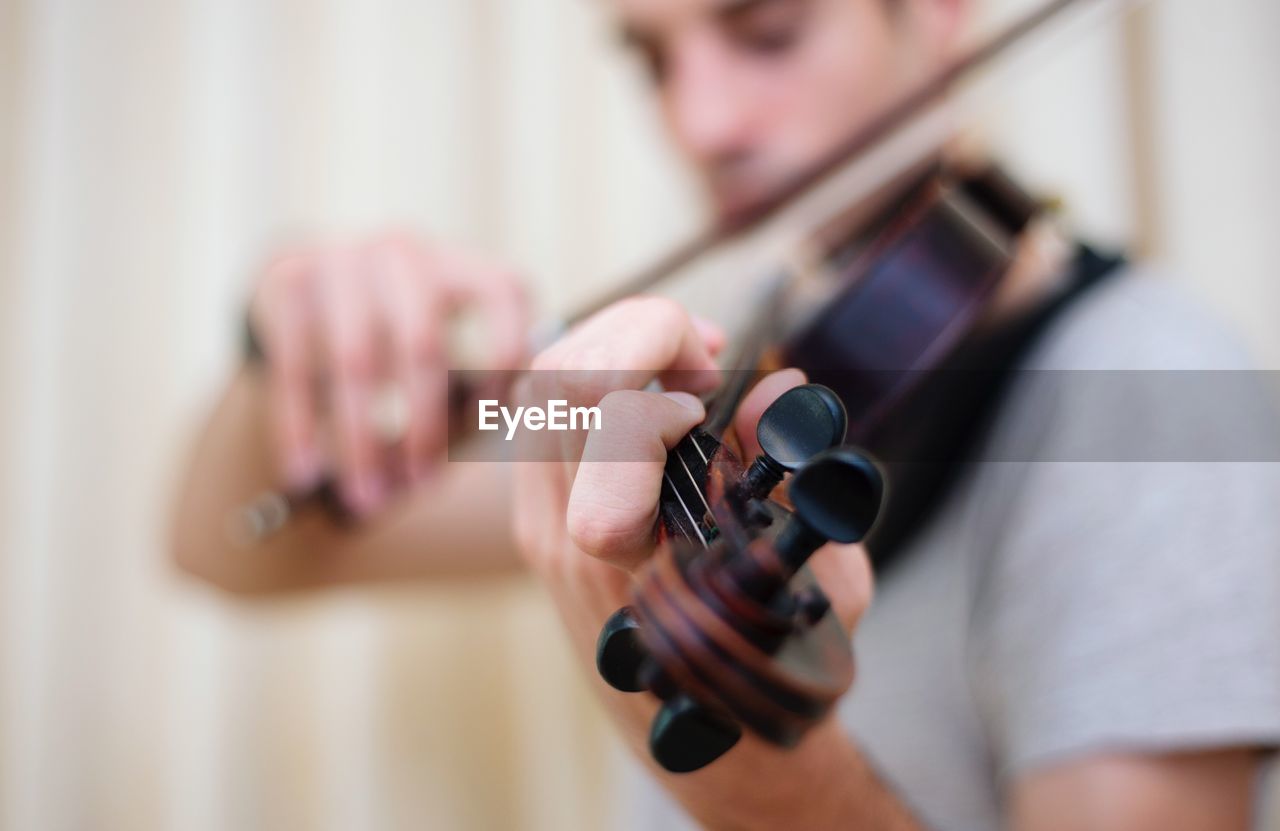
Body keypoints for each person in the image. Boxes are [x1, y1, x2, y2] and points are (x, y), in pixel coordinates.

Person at [171, 0, 1280, 827]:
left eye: (767, 31)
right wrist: (279, 346)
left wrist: (780, 798)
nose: (698, 122)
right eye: (654, 60)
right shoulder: (718, 348)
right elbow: (246, 546)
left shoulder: (1148, 398)